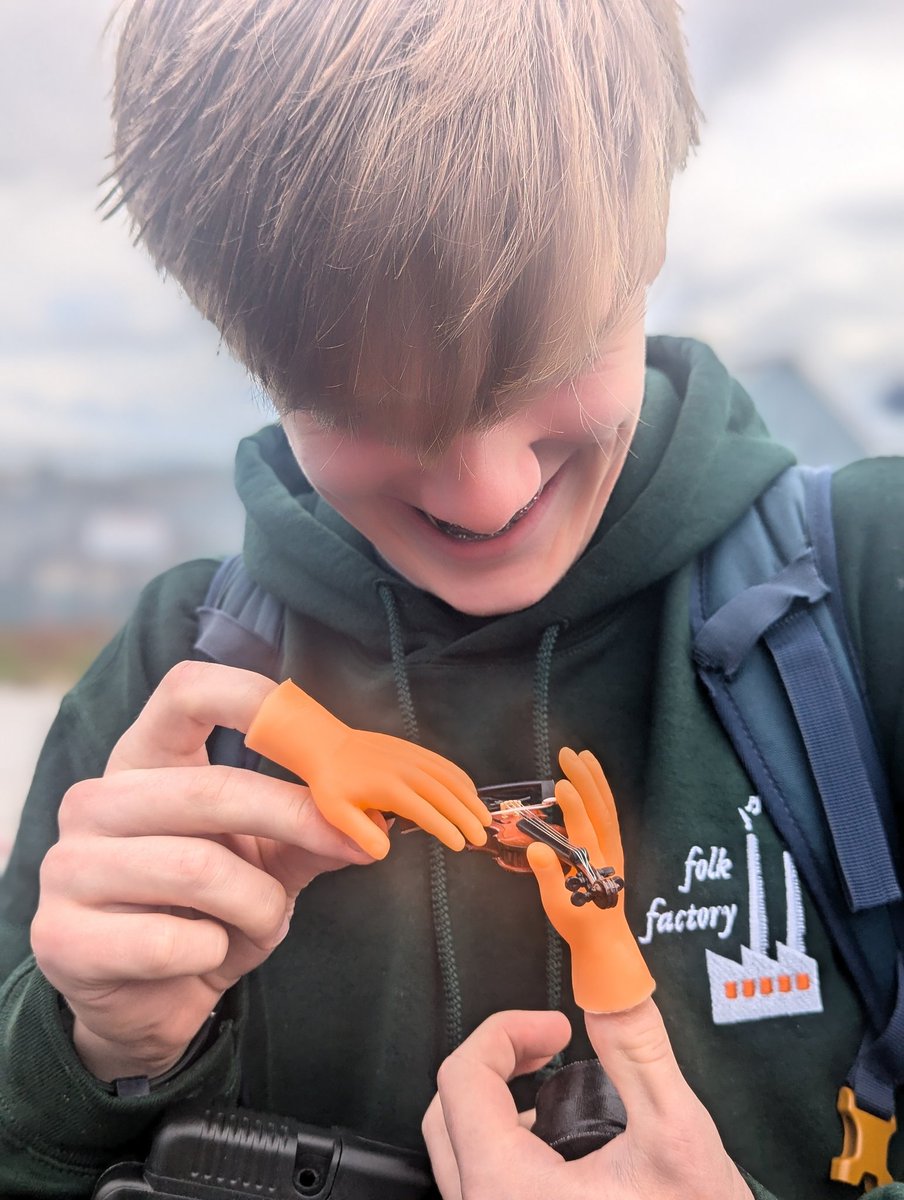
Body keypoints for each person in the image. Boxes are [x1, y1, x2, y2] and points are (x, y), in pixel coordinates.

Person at [0, 0, 900, 1196]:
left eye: (545, 361)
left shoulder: (870, 592)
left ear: (649, 233)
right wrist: (92, 1059)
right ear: (248, 350)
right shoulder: (168, 677)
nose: (485, 498)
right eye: (362, 409)